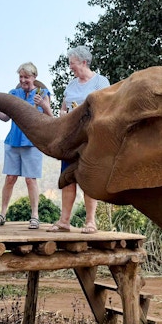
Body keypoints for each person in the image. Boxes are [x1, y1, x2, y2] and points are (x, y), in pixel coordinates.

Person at [47, 46, 110, 234]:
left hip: (91, 139)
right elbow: (63, 110)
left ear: (83, 62)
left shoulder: (101, 82)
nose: (70, 67)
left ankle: (90, 222)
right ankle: (64, 221)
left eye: (72, 63)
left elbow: (106, 109)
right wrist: (64, 115)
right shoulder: (71, 86)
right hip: (71, 139)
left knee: (88, 179)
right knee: (67, 177)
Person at [0, 62, 53, 229]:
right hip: (13, 141)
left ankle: (34, 216)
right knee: (10, 178)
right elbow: (5, 117)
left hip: (32, 143)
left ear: (34, 77)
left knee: (30, 180)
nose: (24, 79)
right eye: (21, 76)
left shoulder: (43, 93)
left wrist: (44, 105)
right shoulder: (13, 94)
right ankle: (2, 214)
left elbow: (51, 118)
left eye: (27, 76)